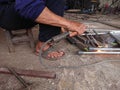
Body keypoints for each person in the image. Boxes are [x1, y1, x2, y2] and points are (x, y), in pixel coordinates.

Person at [0, 0, 86, 59]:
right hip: (5, 13)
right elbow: (28, 6)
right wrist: (69, 24)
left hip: (23, 9)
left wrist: (59, 22)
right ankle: (43, 45)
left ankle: (50, 34)